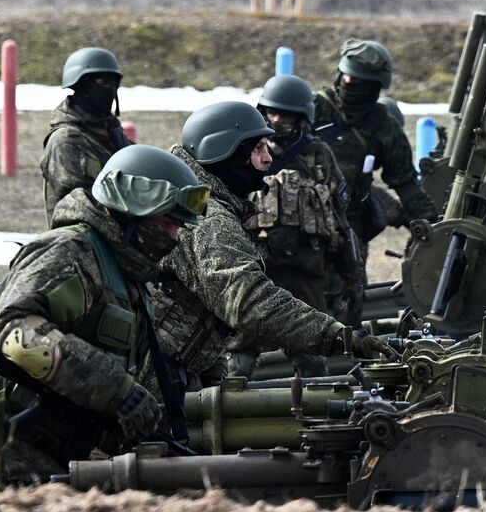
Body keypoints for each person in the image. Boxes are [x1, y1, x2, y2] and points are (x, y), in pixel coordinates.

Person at [0, 144, 209, 489]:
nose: (175, 238)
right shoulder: (71, 252)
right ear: (133, 210)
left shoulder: (126, 277)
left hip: (42, 451)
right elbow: (16, 332)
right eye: (168, 223)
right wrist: (118, 391)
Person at [153, 101, 387, 385]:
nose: (267, 159)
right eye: (257, 149)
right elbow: (247, 302)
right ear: (226, 152)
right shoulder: (209, 220)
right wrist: (335, 335)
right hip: (158, 375)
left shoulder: (208, 204)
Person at [229, 75, 361, 379]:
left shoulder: (318, 155)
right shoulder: (246, 150)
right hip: (256, 269)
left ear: (302, 116)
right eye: (271, 113)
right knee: (239, 357)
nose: (277, 120)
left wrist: (351, 275)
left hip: (305, 272)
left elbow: (340, 220)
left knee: (313, 357)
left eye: (285, 114)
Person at [313, 39, 437, 323]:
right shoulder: (313, 109)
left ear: (374, 87)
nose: (349, 84)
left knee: (348, 298)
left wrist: (434, 228)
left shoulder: (384, 127)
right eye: (346, 77)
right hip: (300, 220)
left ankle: (343, 358)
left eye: (358, 81)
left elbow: (406, 185)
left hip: (348, 223)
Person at [40, 47, 128, 223]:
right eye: (102, 82)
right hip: (85, 241)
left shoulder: (110, 133)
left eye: (112, 82)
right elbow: (79, 206)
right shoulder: (65, 141)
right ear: (81, 86)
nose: (109, 89)